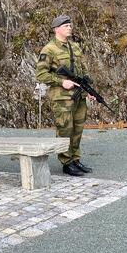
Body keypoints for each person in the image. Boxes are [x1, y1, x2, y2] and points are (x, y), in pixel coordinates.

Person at [36, 15, 94, 177]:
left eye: (70, 25)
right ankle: (66, 162)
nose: (70, 27)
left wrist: (89, 90)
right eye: (66, 25)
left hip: (79, 95)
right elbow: (41, 74)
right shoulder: (49, 49)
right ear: (56, 29)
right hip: (62, 98)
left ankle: (75, 159)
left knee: (77, 129)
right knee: (65, 129)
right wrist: (61, 82)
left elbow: (82, 72)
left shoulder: (74, 47)